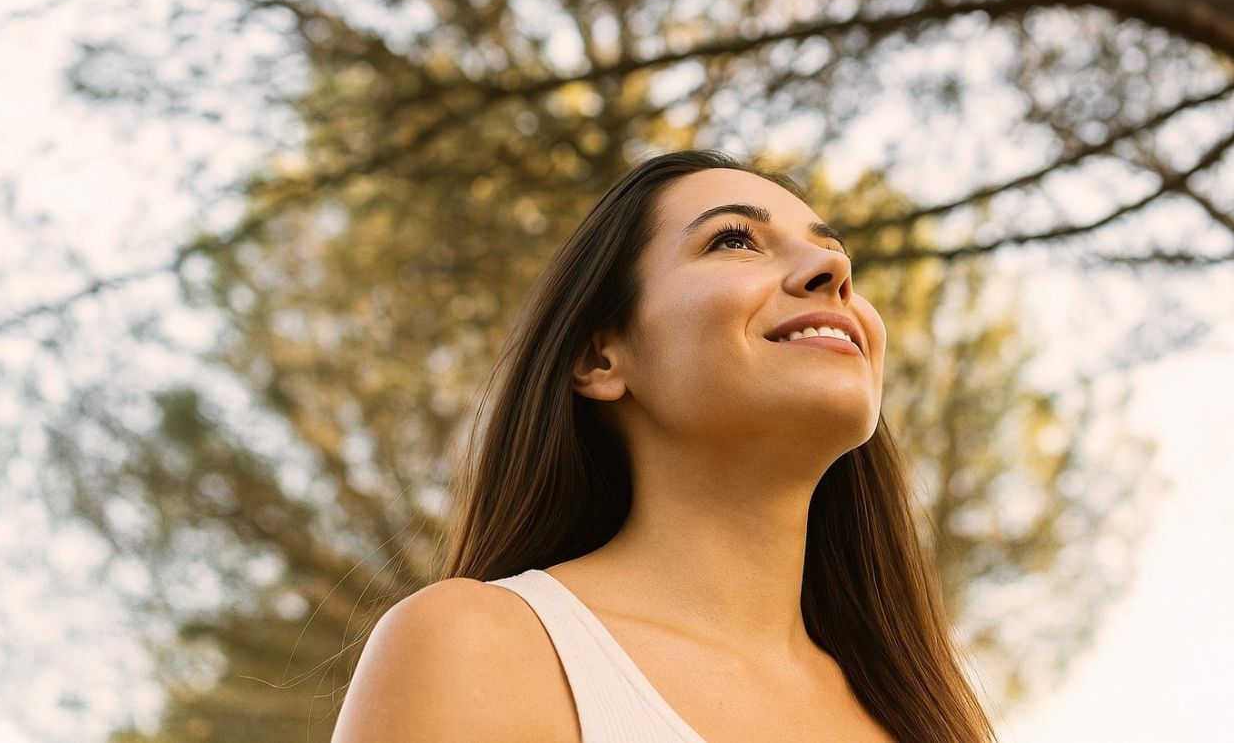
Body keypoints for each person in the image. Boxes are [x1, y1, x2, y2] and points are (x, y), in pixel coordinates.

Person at [332, 149, 998, 742]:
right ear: (601, 357)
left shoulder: (931, 713)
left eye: (836, 252)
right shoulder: (480, 648)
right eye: (735, 240)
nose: (832, 268)